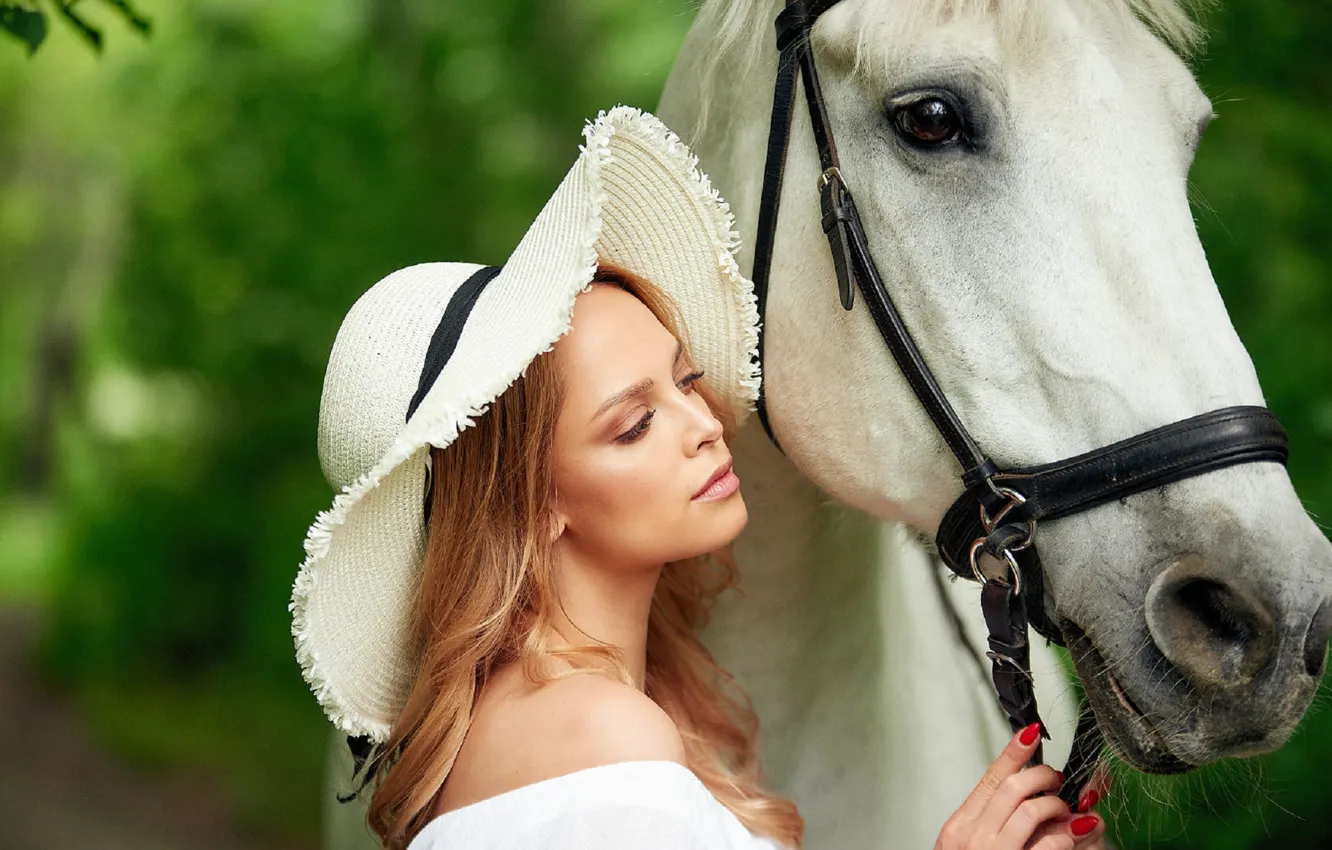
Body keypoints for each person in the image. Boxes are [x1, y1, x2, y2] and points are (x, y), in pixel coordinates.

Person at [290, 106, 1109, 850]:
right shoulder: (599, 735)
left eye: (685, 383)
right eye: (635, 423)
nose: (705, 425)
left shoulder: (529, 729)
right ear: (531, 508)